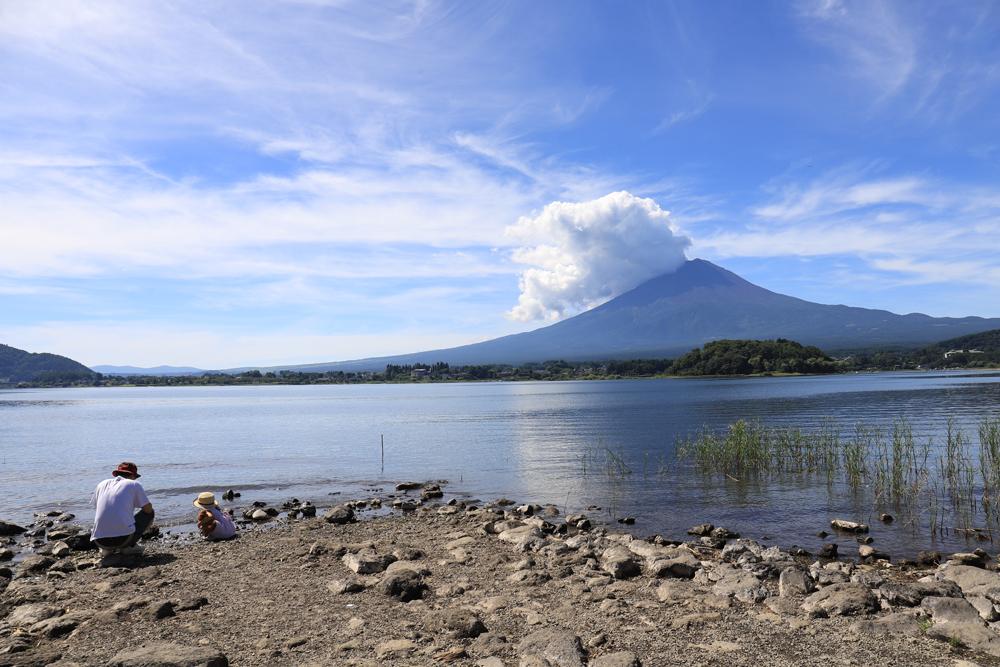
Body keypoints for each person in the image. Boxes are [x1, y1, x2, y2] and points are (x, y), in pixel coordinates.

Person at [91, 461, 154, 556]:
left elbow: (98, 508)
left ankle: (106, 550)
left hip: (100, 541)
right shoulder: (134, 484)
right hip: (123, 540)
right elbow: (147, 509)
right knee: (150, 512)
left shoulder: (101, 484)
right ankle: (129, 547)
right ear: (132, 475)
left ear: (117, 474)